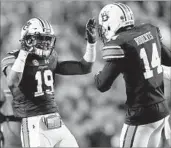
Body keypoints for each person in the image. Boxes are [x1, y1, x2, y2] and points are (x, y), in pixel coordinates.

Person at [1, 17, 96, 147]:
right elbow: (12, 82)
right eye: (41, 38)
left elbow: (84, 67)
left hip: (56, 121)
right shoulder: (13, 57)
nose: (46, 42)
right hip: (33, 124)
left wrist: (91, 44)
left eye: (48, 38)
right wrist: (23, 52)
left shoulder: (51, 57)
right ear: (28, 39)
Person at [94, 3, 171, 147]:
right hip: (162, 110)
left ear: (111, 24)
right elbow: (168, 59)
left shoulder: (122, 43)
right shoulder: (149, 31)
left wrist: (96, 73)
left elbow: (102, 84)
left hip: (141, 115)